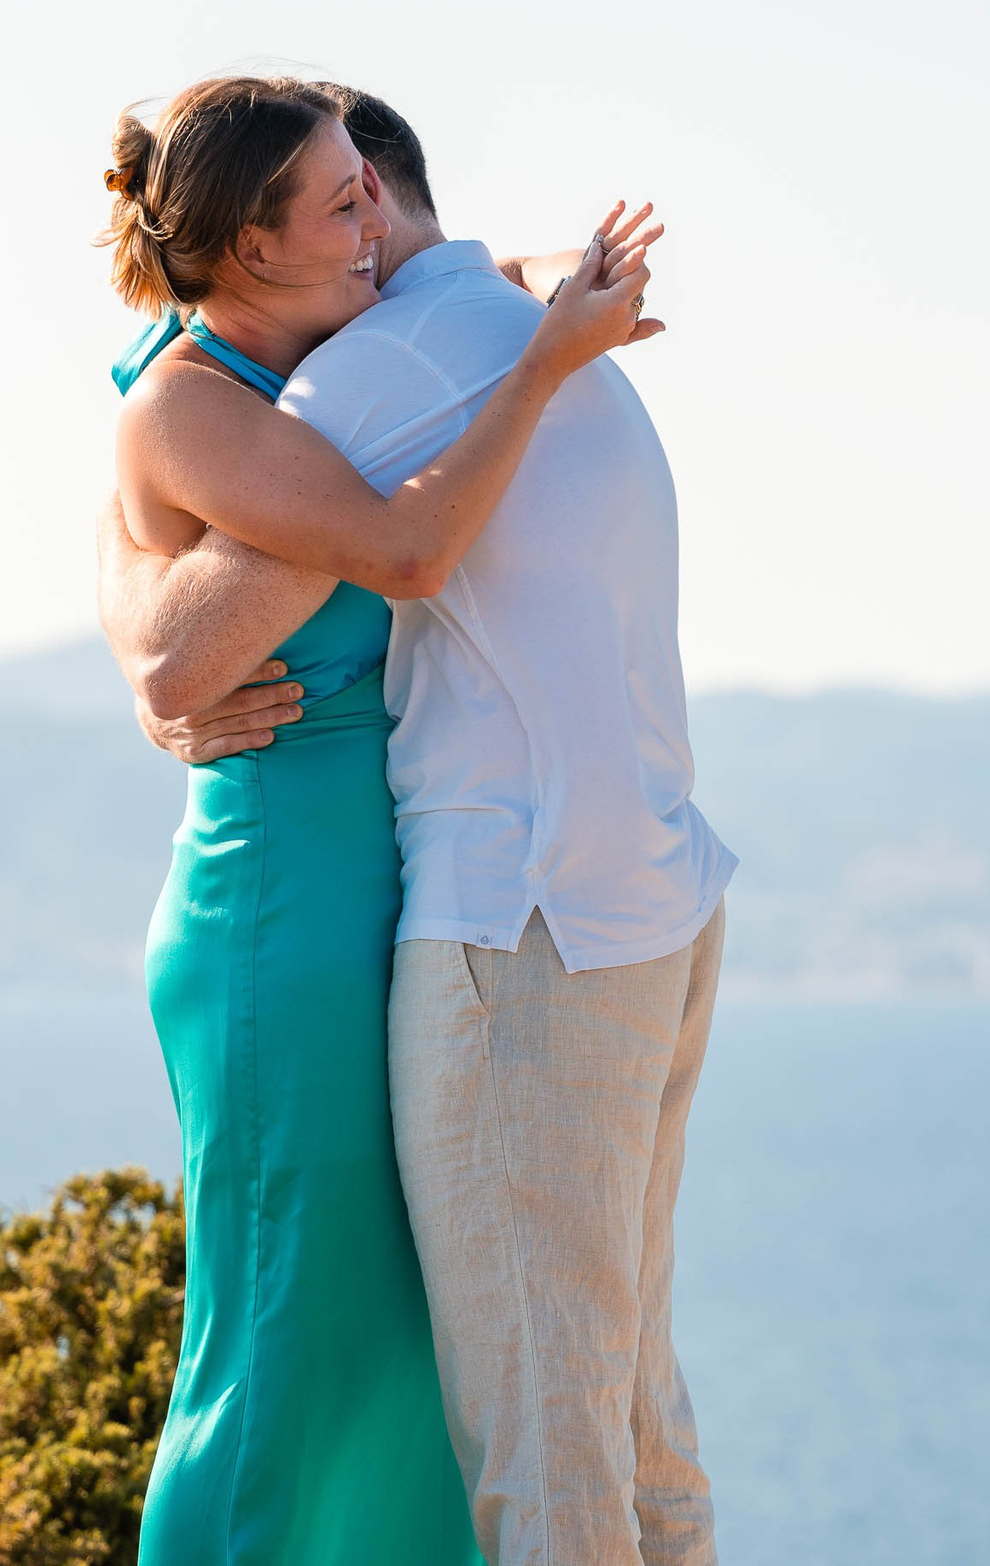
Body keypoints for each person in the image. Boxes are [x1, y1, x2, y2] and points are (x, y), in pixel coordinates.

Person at [100, 84, 734, 1566]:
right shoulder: (324, 388)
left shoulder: (353, 367)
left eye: (364, 191)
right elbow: (195, 620)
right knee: (292, 1326)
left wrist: (544, 299)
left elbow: (478, 279)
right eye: (340, 204)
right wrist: (544, 353)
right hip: (291, 897)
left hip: (410, 891)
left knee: (420, 1347)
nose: (367, 222)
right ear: (254, 248)